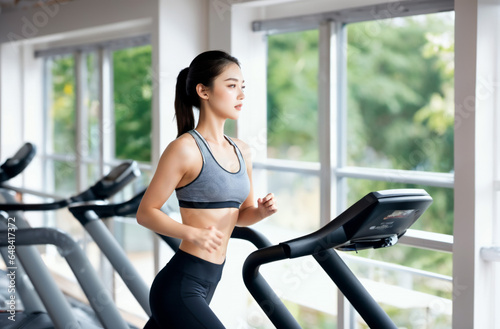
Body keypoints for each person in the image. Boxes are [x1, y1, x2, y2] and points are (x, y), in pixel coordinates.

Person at [137, 50, 278, 329]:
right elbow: (146, 213)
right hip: (180, 285)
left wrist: (259, 212)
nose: (240, 94)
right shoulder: (184, 149)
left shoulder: (242, 151)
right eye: (231, 85)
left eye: (242, 86)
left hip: (210, 279)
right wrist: (193, 233)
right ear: (204, 91)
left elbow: (241, 214)